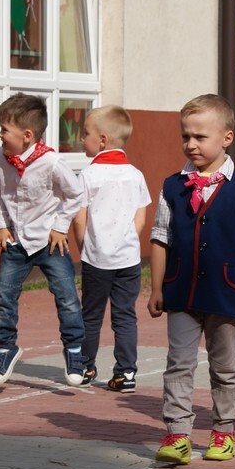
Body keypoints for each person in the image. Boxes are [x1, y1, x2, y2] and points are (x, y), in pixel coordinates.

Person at [148, 94, 235, 464]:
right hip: (182, 291)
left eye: (200, 137)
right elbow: (160, 237)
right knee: (179, 363)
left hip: (228, 292)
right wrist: (156, 287)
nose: (191, 144)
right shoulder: (172, 185)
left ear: (226, 138)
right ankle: (178, 434)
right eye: (186, 136)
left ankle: (222, 431)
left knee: (225, 366)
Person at [0, 93, 86, 387]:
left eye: (4, 129)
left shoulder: (52, 162)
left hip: (49, 242)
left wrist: (60, 227)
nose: (0, 135)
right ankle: (6, 348)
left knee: (66, 295)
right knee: (4, 296)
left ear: (27, 135)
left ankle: (74, 350)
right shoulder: (0, 158)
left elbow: (75, 193)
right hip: (16, 241)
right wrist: (1, 226)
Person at [72, 105, 151, 392]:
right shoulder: (135, 174)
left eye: (85, 134)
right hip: (128, 257)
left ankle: (84, 366)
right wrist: (129, 237)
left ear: (102, 140)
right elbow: (141, 215)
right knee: (125, 315)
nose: (82, 139)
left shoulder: (88, 175)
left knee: (91, 315)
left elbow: (79, 218)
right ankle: (126, 373)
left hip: (97, 257)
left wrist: (85, 246)